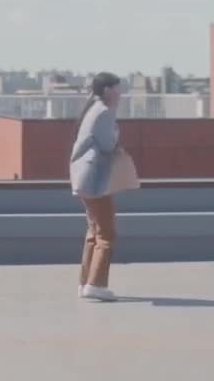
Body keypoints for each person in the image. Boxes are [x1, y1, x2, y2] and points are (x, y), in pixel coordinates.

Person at [69, 72, 139, 301]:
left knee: (94, 232)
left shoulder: (92, 108)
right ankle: (96, 284)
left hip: (84, 178)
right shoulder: (104, 112)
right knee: (107, 234)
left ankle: (85, 283)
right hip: (95, 180)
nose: (121, 93)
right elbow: (108, 145)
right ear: (108, 90)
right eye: (118, 88)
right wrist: (117, 133)